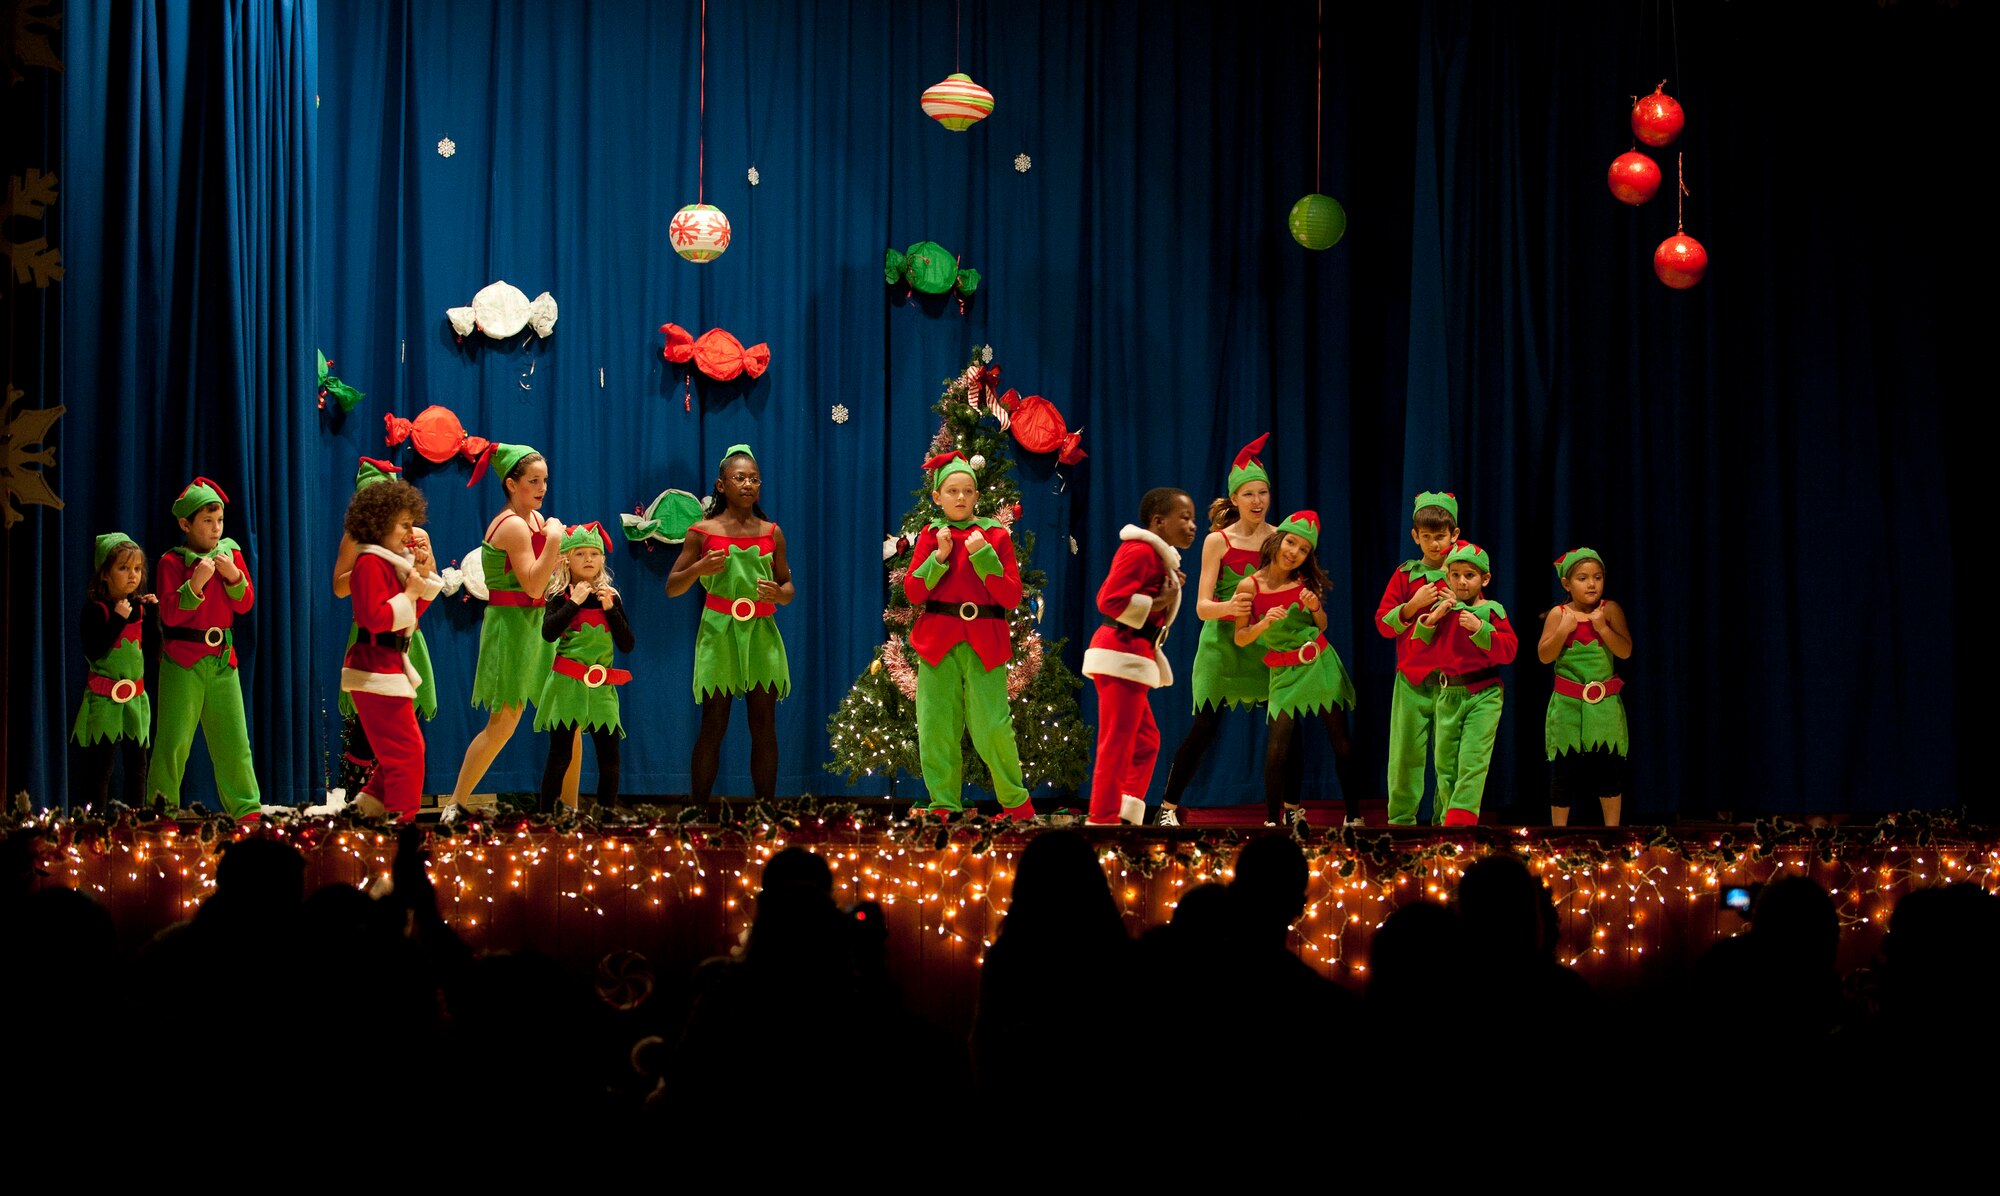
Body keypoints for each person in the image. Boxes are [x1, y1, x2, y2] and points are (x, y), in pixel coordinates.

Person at [899, 452, 1035, 821]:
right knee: (936, 726)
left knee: (993, 727)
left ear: (976, 495)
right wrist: (939, 557)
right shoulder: (931, 536)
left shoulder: (994, 535)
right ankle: (944, 805)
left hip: (985, 641)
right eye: (952, 491)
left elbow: (1010, 596)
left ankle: (1017, 806)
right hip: (937, 642)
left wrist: (984, 556)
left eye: (968, 491)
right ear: (937, 497)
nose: (960, 497)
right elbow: (913, 592)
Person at [1157, 434, 1278, 826]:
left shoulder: (1280, 539)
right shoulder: (1218, 541)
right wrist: (1232, 607)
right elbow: (1202, 606)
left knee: (1285, 726)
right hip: (1221, 647)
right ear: (1235, 499)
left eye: (1263, 493)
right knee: (1205, 728)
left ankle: (1289, 812)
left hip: (1262, 644)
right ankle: (1167, 810)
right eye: (1249, 494)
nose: (1257, 501)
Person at [665, 445, 792, 805]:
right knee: (713, 724)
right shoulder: (701, 532)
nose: (748, 484)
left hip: (761, 635)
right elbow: (673, 587)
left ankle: (765, 812)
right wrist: (698, 569)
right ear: (721, 485)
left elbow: (787, 586)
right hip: (718, 633)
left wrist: (779, 594)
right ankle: (698, 811)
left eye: (754, 479)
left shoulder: (772, 532)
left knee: (764, 726)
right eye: (740, 478)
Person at [1232, 511, 1365, 830]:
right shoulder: (1249, 586)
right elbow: (1241, 637)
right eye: (1291, 542)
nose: (1294, 552)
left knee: (1341, 741)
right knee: (1278, 746)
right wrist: (1264, 624)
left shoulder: (1305, 582)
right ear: (1277, 540)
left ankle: (1353, 815)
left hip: (1319, 663)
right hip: (1284, 671)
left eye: (1304, 549)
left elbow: (1323, 625)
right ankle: (1272, 821)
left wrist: (1315, 607)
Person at [450, 443, 565, 811]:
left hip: (536, 625)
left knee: (567, 719)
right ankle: (456, 803)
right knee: (502, 724)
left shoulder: (534, 519)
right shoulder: (513, 524)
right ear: (512, 484)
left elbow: (545, 581)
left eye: (545, 480)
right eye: (533, 481)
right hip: (511, 628)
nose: (542, 488)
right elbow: (532, 585)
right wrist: (555, 539)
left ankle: (571, 808)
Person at [145, 477, 261, 819]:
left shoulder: (231, 554)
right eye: (207, 521)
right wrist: (194, 584)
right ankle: (161, 813)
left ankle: (247, 812)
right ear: (186, 524)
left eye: (219, 520)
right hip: (183, 662)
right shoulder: (171, 562)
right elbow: (169, 614)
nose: (215, 528)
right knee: (173, 742)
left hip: (223, 662)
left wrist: (234, 576)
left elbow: (245, 604)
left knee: (234, 742)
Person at [1082, 487, 1198, 825]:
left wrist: (1165, 590)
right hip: (1121, 653)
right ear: (1159, 521)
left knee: (1146, 741)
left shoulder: (1155, 557)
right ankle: (1103, 820)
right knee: (1117, 744)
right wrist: (1160, 601)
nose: (1192, 526)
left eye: (1193, 519)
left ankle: (1126, 814)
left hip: (1133, 654)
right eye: (1185, 518)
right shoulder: (1140, 551)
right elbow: (1109, 601)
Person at [331, 457, 440, 799]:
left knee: (405, 736)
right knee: (375, 735)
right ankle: (364, 800)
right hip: (374, 640)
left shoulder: (412, 537)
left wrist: (419, 566)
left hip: (406, 637)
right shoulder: (363, 549)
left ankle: (375, 806)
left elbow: (423, 588)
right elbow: (341, 587)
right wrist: (382, 567)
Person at [1408, 542, 1518, 825]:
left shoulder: (1492, 611)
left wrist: (1480, 629)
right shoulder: (1443, 610)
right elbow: (1417, 651)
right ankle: (1448, 824)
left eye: (1469, 575)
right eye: (1455, 575)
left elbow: (1508, 652)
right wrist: (1431, 619)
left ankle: (1461, 822)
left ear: (1485, 579)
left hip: (1483, 693)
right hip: (1448, 694)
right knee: (1445, 765)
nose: (1461, 582)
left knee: (1472, 760)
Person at [1379, 490, 1466, 826]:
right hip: (1412, 680)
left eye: (1440, 536)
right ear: (1415, 536)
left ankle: (1447, 826)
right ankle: (1401, 823)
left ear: (1454, 535)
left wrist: (1458, 602)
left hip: (1451, 683)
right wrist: (1412, 605)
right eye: (1426, 537)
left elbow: (1480, 616)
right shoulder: (1406, 575)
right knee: (1405, 756)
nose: (1433, 544)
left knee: (1449, 759)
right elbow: (1383, 624)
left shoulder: (1463, 573)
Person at [537, 522, 636, 811]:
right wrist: (575, 603)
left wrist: (611, 610)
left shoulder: (611, 597)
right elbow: (548, 633)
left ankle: (606, 818)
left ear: (602, 559)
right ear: (567, 559)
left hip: (601, 688)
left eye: (594, 554)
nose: (589, 559)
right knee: (560, 755)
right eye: (580, 554)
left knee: (609, 757)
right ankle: (545, 817)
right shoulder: (559, 595)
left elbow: (627, 644)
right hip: (567, 685)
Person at [1538, 548, 1632, 826]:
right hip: (1567, 707)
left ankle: (1612, 832)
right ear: (1566, 584)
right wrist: (1562, 630)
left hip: (1604, 707)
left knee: (1608, 771)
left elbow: (1625, 651)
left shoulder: (1610, 610)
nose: (1591, 584)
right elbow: (1544, 656)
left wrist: (1603, 629)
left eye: (1597, 577)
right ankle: (1558, 834)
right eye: (1582, 578)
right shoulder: (1558, 614)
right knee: (1564, 771)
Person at [73, 533, 156, 807]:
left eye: (137, 568)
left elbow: (155, 653)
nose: (133, 575)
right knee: (101, 767)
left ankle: (135, 819)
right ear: (105, 574)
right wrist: (118, 619)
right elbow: (94, 650)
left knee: (137, 766)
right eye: (123, 568)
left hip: (135, 701)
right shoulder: (95, 610)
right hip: (104, 701)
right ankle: (96, 819)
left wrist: (154, 617)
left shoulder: (140, 609)